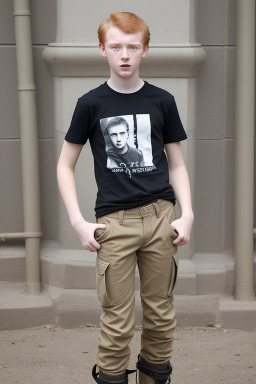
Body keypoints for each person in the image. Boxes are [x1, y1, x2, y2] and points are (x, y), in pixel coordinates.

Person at [57, 11, 194, 384]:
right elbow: (64, 165)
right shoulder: (91, 104)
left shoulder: (162, 101)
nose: (124, 55)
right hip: (114, 224)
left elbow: (177, 164)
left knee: (161, 314)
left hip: (161, 218)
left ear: (145, 50)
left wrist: (187, 214)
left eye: (132, 47)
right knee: (118, 320)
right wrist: (78, 222)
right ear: (102, 49)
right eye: (116, 46)